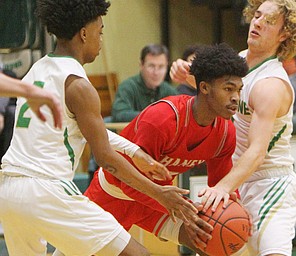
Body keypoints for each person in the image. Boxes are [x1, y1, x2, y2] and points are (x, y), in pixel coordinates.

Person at [0, 1, 199, 255]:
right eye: (100, 31)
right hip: (47, 190)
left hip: (9, 189)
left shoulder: (36, 70)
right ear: (84, 33)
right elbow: (106, 158)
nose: (101, 39)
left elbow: (85, 129)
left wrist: (136, 152)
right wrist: (159, 193)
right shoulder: (79, 85)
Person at [170, 1, 296, 256]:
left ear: (285, 34)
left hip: (269, 183)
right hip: (237, 178)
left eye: (269, 21)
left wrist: (223, 187)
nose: (258, 22)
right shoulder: (236, 63)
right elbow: (211, 91)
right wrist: (186, 75)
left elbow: (257, 151)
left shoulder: (271, 84)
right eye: (257, 15)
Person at [83, 43, 249, 255]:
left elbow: (220, 185)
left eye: (238, 90)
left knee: (212, 239)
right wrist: (181, 207)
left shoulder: (226, 133)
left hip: (159, 199)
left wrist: (234, 207)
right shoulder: (162, 119)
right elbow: (129, 182)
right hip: (115, 193)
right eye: (228, 89)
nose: (235, 97)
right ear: (204, 87)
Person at [111, 44, 178, 122]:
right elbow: (119, 114)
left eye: (161, 67)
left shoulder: (169, 90)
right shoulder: (127, 87)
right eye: (151, 66)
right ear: (141, 65)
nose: (156, 72)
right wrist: (154, 116)